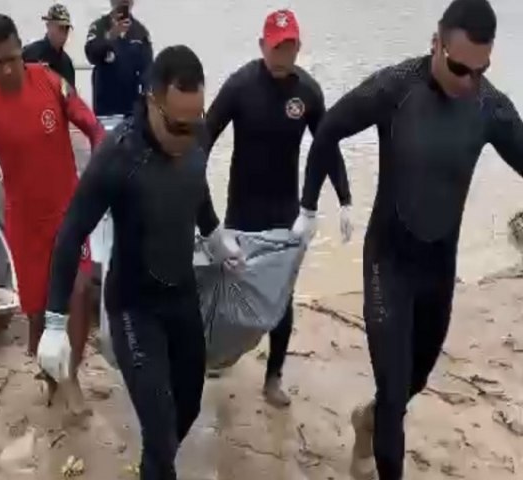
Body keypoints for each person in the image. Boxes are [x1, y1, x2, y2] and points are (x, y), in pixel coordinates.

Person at [302, 0, 523, 478]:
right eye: (459, 67)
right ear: (435, 43)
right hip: (389, 264)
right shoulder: (395, 88)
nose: (468, 82)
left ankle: (370, 418)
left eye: (480, 71)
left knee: (410, 384)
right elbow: (328, 131)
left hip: (438, 269)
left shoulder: (490, 108)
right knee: (395, 397)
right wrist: (309, 207)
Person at [39, 45, 243, 480]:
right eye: (177, 125)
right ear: (152, 101)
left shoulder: (193, 134)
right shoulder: (118, 157)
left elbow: (196, 187)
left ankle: (153, 464)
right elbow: (71, 231)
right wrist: (55, 321)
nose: (188, 136)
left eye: (196, 123)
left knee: (185, 407)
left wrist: (213, 234)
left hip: (182, 295)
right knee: (160, 425)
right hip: (135, 305)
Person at [205, 9, 353, 408]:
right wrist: (189, 196)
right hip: (241, 211)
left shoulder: (307, 92)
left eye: (289, 46)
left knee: (280, 299)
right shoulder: (240, 86)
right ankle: (223, 353)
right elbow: (204, 137)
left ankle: (273, 376)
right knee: (229, 287)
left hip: (285, 214)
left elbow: (326, 147)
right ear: (261, 46)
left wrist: (344, 199)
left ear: (298, 47)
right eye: (275, 47)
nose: (282, 54)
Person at [0, 14, 105, 411]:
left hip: (67, 212)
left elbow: (93, 126)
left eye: (12, 58)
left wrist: (101, 164)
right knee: (41, 313)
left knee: (79, 291)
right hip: (24, 222)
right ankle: (52, 376)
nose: (7, 70)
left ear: (20, 48)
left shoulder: (49, 81)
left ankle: (72, 377)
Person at [84, 0, 153, 117]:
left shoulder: (140, 31)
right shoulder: (99, 26)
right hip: (105, 107)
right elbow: (91, 54)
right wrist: (110, 37)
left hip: (131, 107)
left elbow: (148, 68)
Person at [22, 4, 76, 87]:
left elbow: (70, 96)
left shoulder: (66, 62)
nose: (64, 33)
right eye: (61, 27)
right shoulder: (31, 54)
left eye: (67, 28)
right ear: (48, 26)